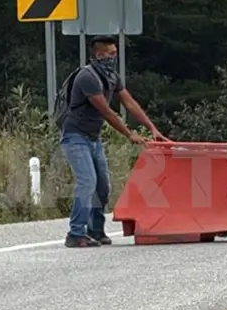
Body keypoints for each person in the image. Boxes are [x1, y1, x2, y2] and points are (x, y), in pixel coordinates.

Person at [60, 35, 169, 248]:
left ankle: (96, 231)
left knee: (103, 186)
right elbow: (107, 112)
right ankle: (75, 233)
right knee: (87, 182)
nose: (113, 58)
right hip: (75, 136)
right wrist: (130, 134)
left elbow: (129, 103)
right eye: (110, 54)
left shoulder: (111, 76)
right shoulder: (87, 77)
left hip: (93, 137)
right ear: (98, 54)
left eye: (115, 54)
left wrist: (152, 128)